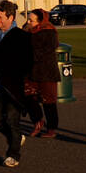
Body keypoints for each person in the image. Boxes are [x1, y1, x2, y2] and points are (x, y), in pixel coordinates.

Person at [0, 0, 33, 167]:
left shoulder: (22, 37)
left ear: (11, 17)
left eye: (0, 17)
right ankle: (17, 137)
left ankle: (13, 155)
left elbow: (29, 63)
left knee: (12, 120)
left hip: (13, 88)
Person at [26, 9, 60, 139]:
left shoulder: (49, 32)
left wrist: (29, 55)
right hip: (31, 70)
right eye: (28, 19)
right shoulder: (28, 31)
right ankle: (38, 121)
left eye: (31, 20)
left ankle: (51, 128)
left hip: (46, 72)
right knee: (28, 96)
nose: (28, 22)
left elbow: (46, 52)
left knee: (48, 101)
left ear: (40, 21)